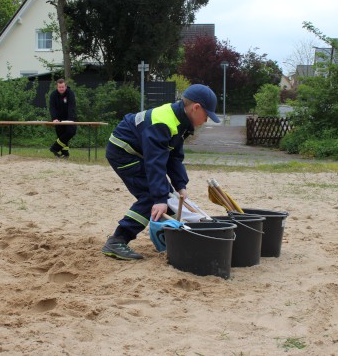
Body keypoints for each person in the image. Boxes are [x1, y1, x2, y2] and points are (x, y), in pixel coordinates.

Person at [101, 84, 220, 260]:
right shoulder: (163, 122)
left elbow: (174, 157)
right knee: (152, 197)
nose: (207, 120)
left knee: (168, 198)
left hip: (141, 153)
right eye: (207, 115)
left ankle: (169, 241)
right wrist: (159, 198)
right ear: (196, 108)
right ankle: (117, 240)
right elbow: (154, 162)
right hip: (123, 152)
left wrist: (180, 185)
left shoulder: (181, 121)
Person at [48, 78, 77, 158]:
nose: (61, 89)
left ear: (66, 86)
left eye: (63, 87)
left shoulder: (70, 93)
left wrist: (70, 120)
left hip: (70, 117)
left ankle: (54, 147)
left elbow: (72, 107)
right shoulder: (53, 94)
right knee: (61, 135)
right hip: (58, 119)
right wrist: (54, 118)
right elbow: (52, 108)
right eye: (59, 87)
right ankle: (65, 153)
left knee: (71, 132)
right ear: (57, 87)